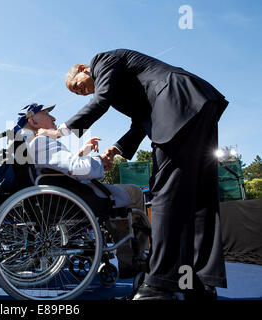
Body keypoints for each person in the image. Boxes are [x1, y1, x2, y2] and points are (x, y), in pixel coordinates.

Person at [46, 49, 228, 300]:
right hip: (197, 102)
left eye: (78, 87)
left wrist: (61, 132)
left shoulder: (102, 61)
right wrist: (116, 150)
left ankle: (160, 286)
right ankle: (198, 281)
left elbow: (101, 101)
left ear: (83, 68)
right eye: (78, 93)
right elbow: (140, 120)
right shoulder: (126, 84)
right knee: (199, 196)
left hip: (177, 102)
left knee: (165, 193)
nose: (82, 93)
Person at [15, 103, 149, 277]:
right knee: (135, 193)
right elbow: (78, 169)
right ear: (33, 121)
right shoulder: (42, 142)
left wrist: (82, 153)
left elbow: (62, 172)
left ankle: (128, 257)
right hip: (82, 199)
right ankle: (133, 258)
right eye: (47, 113)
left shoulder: (30, 146)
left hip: (65, 199)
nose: (54, 118)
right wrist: (100, 161)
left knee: (121, 200)